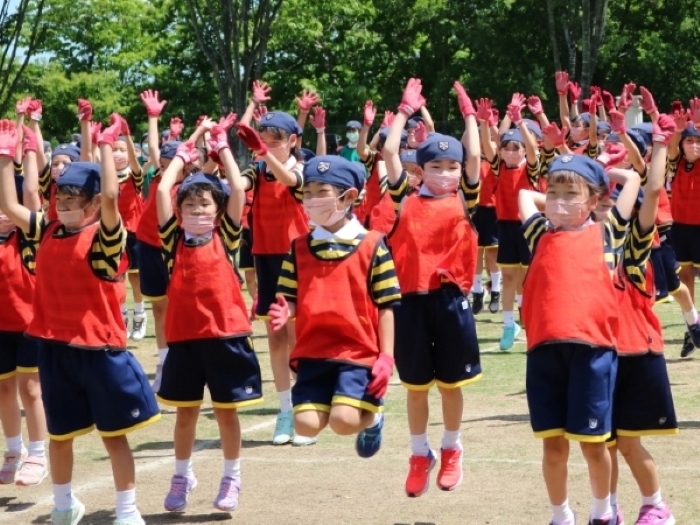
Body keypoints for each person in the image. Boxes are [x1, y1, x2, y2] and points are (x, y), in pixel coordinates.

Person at [0, 117, 160, 525]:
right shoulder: (47, 230)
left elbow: (111, 194)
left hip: (99, 352)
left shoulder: (106, 239)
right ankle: (63, 505)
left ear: (91, 205)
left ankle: (127, 510)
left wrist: (106, 146)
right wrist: (6, 155)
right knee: (60, 437)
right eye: (62, 196)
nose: (64, 203)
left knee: (113, 436)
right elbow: (12, 205)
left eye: (74, 198)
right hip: (55, 349)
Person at [518, 150, 640, 525]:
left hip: (593, 352)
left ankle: (603, 512)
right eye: (553, 192)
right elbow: (525, 197)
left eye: (571, 195)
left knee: (592, 444)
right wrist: (563, 183)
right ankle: (561, 516)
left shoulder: (607, 232)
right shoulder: (540, 233)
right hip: (544, 352)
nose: (559, 201)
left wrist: (603, 172)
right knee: (553, 446)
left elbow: (632, 183)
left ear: (594, 200)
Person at [156, 132, 263, 513]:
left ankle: (232, 476)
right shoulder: (173, 239)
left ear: (217, 211)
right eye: (190, 204)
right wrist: (183, 155)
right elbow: (162, 190)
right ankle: (182, 475)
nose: (197, 211)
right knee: (185, 414)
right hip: (185, 338)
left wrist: (220, 148)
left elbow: (236, 187)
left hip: (226, 335)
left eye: (204, 204)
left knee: (225, 412)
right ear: (179, 209)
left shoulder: (228, 235)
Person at [385, 79, 482, 497]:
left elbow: (475, 153)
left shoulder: (465, 199)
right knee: (416, 387)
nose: (445, 173)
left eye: (452, 167)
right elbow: (390, 152)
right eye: (436, 167)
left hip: (449, 300)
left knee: (450, 384)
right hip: (409, 300)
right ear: (419, 170)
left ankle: (451, 447)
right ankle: (419, 453)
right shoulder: (403, 198)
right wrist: (404, 111)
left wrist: (470, 116)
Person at [270, 155, 399, 458]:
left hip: (358, 350)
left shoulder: (372, 244)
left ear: (349, 196)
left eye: (321, 192)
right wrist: (285, 311)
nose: (312, 200)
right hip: (314, 349)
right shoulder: (298, 246)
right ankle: (343, 402)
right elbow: (289, 295)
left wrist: (387, 357)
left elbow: (387, 305)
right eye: (308, 193)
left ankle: (374, 417)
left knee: (343, 422)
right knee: (305, 425)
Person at [606, 114, 678, 525]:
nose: (605, 202)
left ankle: (655, 507)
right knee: (603, 445)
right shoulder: (578, 239)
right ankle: (607, 507)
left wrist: (660, 141)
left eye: (611, 195)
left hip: (633, 353)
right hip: (597, 355)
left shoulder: (632, 245)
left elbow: (652, 188)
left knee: (627, 444)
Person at [237, 82, 312, 445]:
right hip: (266, 260)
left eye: (276, 139)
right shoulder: (258, 171)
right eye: (263, 138)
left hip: (297, 260)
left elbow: (289, 179)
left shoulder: (303, 170)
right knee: (276, 340)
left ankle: (305, 408)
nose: (267, 144)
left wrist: (264, 154)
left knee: (300, 339)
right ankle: (285, 412)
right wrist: (219, 145)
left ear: (293, 141)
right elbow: (237, 183)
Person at [0, 125, 47, 487]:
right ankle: (12, 450)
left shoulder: (30, 235)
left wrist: (25, 150)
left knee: (31, 389)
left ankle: (37, 453)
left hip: (31, 322)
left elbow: (31, 192)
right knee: (3, 390)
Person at [479, 95, 540, 350]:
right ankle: (508, 324)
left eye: (516, 148)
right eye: (507, 148)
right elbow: (487, 144)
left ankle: (529, 323)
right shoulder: (498, 167)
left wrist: (520, 123)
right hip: (504, 225)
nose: (511, 152)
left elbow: (534, 150)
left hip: (527, 227)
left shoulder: (531, 168)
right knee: (508, 276)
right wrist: (483, 122)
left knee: (526, 279)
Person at [667, 99, 700, 357]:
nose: (694, 145)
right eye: (689, 141)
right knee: (685, 280)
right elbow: (669, 151)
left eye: (698, 141)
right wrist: (679, 130)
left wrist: (697, 123)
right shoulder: (676, 163)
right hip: (680, 228)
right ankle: (692, 329)